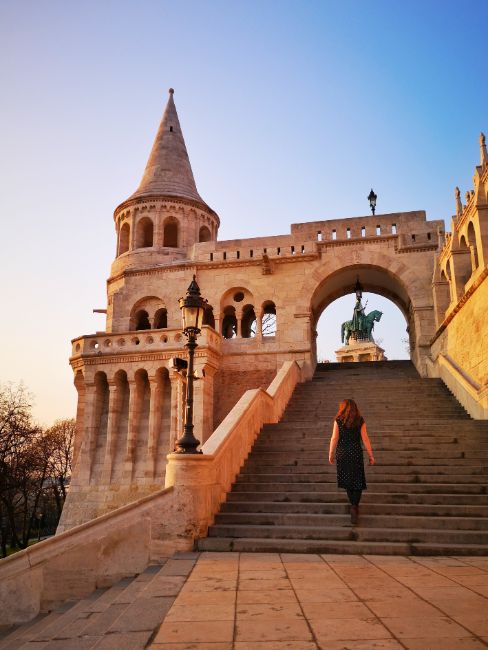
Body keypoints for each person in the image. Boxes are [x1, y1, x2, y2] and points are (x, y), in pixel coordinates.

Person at [328, 399, 374, 524]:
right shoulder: (360, 421)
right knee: (357, 479)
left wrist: (331, 453)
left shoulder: (338, 420)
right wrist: (371, 455)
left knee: (347, 479)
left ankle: (353, 505)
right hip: (355, 452)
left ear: (342, 408)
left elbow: (334, 438)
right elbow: (365, 439)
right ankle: (355, 505)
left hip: (342, 453)